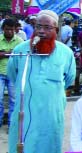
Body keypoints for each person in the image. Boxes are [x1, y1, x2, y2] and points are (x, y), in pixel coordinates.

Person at [7, 10, 76, 153]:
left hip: (51, 113)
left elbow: (69, 79)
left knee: (49, 145)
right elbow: (13, 75)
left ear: (56, 30)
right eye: (38, 26)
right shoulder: (21, 50)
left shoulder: (66, 53)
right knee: (22, 144)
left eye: (47, 27)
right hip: (24, 111)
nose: (41, 31)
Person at [0, 19, 23, 129]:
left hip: (13, 74)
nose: (9, 31)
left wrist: (3, 53)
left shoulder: (20, 41)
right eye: (7, 29)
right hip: (0, 73)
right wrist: (9, 53)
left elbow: (22, 56)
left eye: (12, 29)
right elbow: (13, 54)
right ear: (3, 29)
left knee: (14, 100)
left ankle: (11, 125)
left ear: (15, 30)